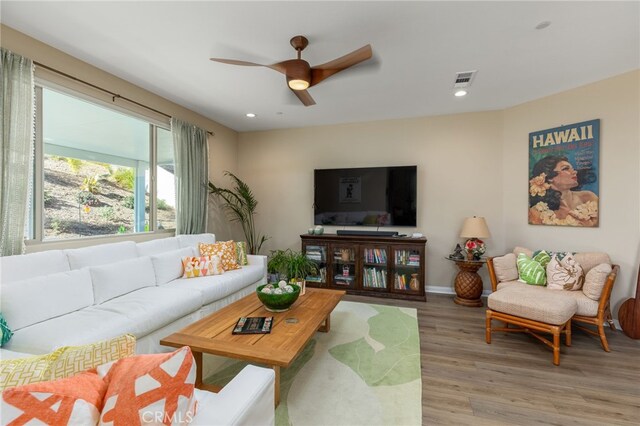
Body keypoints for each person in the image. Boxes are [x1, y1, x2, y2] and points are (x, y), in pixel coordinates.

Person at [528, 155, 598, 226]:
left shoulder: (588, 197)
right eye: (565, 169)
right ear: (549, 177)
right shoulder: (537, 211)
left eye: (572, 168)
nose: (575, 172)